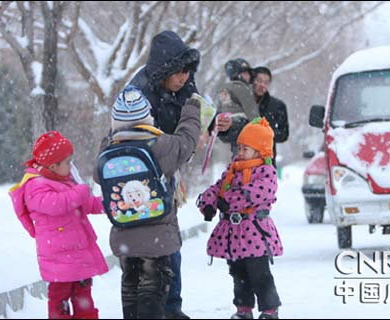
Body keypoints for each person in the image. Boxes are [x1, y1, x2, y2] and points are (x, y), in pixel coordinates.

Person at [94, 87, 201, 318]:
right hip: (158, 239)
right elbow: (188, 140)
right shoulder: (162, 145)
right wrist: (191, 110)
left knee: (130, 288)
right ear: (147, 118)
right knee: (152, 291)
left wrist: (112, 134)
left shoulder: (109, 149)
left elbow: (97, 175)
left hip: (125, 239)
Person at [128, 30, 201, 319]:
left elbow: (196, 109)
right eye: (179, 72)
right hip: (144, 176)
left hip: (168, 171)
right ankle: (159, 310)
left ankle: (171, 308)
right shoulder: (139, 93)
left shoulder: (182, 85)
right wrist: (182, 145)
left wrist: (204, 127)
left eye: (187, 71)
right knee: (153, 249)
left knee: (169, 244)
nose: (184, 77)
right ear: (165, 69)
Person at [8, 131, 108, 319]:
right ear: (53, 165)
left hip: (79, 255)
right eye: (68, 162)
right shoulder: (35, 185)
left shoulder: (65, 180)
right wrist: (80, 191)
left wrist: (110, 204)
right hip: (58, 260)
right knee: (58, 300)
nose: (71, 166)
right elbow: (57, 204)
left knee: (84, 298)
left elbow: (87, 203)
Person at [196, 117, 283, 319]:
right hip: (233, 234)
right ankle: (243, 308)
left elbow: (256, 192)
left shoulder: (266, 171)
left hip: (255, 232)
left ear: (260, 151)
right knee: (238, 273)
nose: (240, 152)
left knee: (259, 273)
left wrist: (231, 201)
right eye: (239, 147)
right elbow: (218, 187)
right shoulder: (233, 169)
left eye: (246, 149)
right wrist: (208, 203)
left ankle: (270, 308)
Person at [217, 58, 260, 156]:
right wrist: (260, 127)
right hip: (242, 127)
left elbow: (219, 109)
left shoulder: (225, 88)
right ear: (240, 75)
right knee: (247, 157)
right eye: (246, 73)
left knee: (237, 154)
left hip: (228, 130)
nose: (249, 76)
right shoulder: (242, 88)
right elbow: (252, 111)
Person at [252, 66, 289, 167]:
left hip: (266, 163)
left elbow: (284, 134)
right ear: (252, 80)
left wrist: (266, 133)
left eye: (266, 82)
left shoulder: (278, 106)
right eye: (259, 81)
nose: (262, 85)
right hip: (241, 161)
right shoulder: (239, 104)